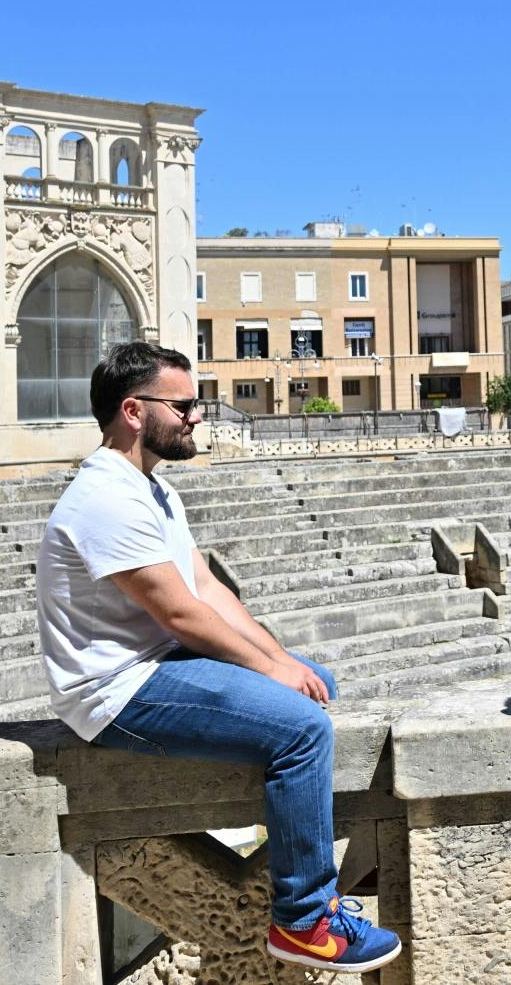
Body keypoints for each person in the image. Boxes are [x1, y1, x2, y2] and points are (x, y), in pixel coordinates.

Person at [35, 341, 400, 972]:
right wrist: (271, 672)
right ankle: (304, 919)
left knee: (316, 682)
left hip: (158, 661)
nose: (197, 416)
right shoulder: (105, 498)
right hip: (114, 691)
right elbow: (180, 615)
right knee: (304, 731)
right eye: (183, 405)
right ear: (133, 411)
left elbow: (209, 590)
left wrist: (282, 659)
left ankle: (304, 847)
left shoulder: (151, 490)